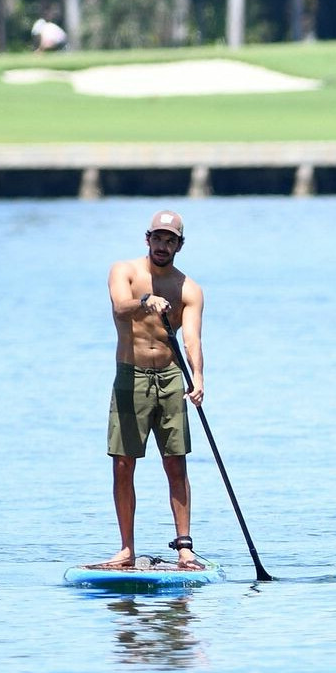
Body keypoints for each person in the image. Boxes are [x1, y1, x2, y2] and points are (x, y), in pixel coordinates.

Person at [98, 210, 207, 570]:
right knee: (123, 463)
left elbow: (191, 338)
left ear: (180, 245)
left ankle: (185, 549)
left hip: (171, 378)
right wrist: (146, 301)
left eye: (170, 240)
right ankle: (126, 549)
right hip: (131, 376)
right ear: (147, 239)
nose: (163, 246)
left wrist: (199, 378)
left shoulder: (188, 289)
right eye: (157, 238)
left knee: (176, 463)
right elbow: (119, 306)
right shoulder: (124, 272)